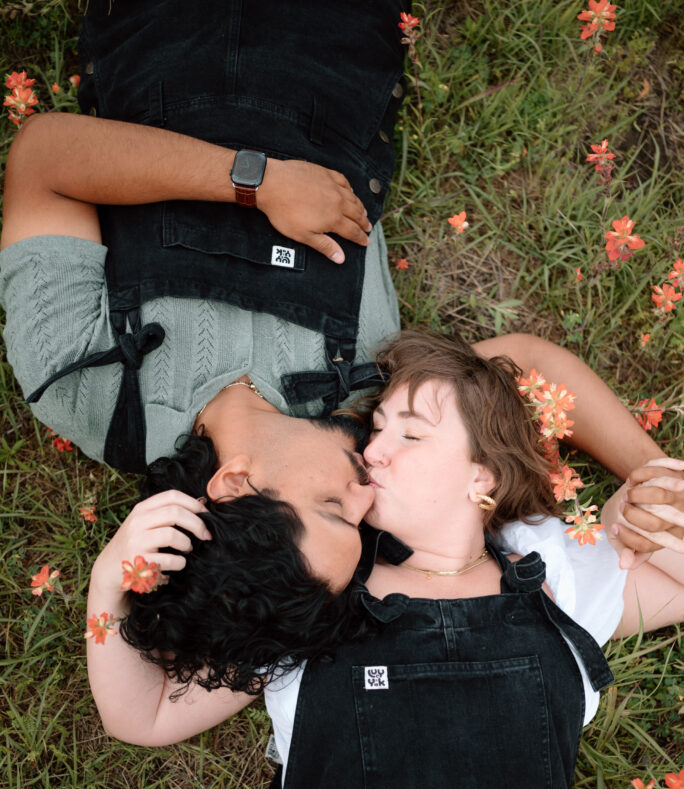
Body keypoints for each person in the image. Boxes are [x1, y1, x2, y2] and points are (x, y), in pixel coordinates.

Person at [87, 330, 683, 789]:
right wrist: (109, 581)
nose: (369, 453)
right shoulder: (317, 601)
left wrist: (646, 512)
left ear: (481, 477)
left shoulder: (553, 571)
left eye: (410, 434)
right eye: (376, 430)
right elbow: (143, 715)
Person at [0, 0, 674, 597]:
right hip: (334, 38)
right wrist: (659, 481)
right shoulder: (357, 410)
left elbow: (44, 157)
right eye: (357, 519)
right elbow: (523, 367)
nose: (367, 493)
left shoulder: (84, 387)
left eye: (331, 507)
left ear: (233, 483)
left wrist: (252, 182)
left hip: (160, 34)